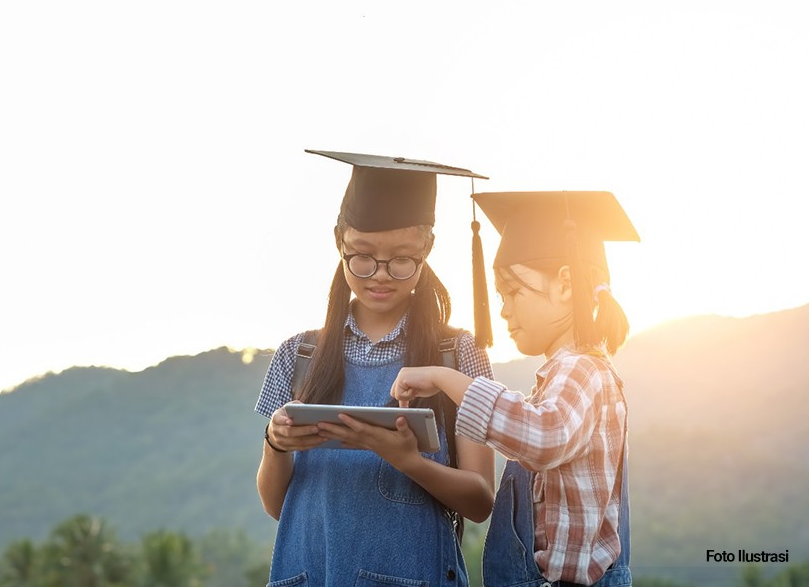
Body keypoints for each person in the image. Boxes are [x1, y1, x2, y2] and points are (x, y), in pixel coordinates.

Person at [256, 150, 496, 587]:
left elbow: (480, 501)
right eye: (362, 257)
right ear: (339, 242)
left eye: (402, 259)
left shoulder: (456, 356)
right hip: (312, 572)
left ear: (427, 248)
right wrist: (276, 443)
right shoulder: (298, 355)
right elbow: (277, 506)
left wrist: (408, 461)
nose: (380, 276)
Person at [391, 191, 639, 586]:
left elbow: (543, 435)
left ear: (565, 285)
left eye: (514, 292)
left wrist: (444, 377)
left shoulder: (584, 370)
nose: (504, 309)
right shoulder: (560, 377)